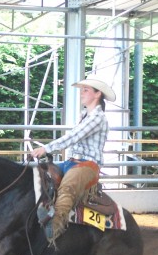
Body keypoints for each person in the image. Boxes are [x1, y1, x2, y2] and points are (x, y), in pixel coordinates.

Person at [31, 77, 116, 243]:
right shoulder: (85, 115)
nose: (81, 93)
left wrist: (46, 148)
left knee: (67, 187)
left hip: (88, 165)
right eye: (82, 90)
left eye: (86, 90)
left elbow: (74, 136)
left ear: (97, 94)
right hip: (72, 162)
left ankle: (53, 229)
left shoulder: (97, 117)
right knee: (37, 173)